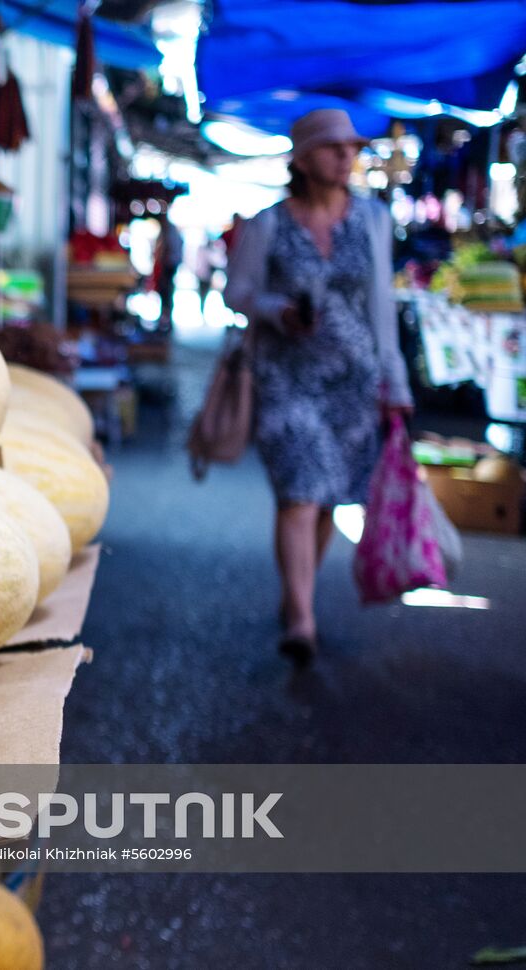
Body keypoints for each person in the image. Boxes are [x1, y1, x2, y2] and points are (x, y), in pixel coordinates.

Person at [224, 108, 414, 665]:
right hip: (286, 379)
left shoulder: (375, 220)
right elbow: (238, 292)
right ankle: (302, 619)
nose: (345, 157)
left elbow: (382, 306)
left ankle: (296, 598)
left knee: (327, 496)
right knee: (299, 493)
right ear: (303, 159)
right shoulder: (267, 223)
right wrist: (277, 309)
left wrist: (394, 381)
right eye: (333, 148)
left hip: (354, 384)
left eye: (351, 148)